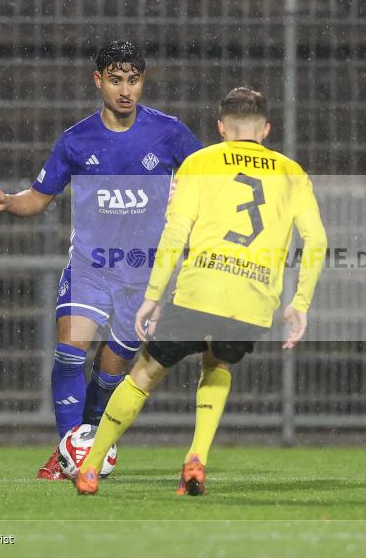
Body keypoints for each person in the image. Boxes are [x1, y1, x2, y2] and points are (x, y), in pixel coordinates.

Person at [72, 87, 328, 496]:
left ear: (221, 127)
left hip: (198, 290)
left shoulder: (198, 162)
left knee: (145, 373)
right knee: (218, 365)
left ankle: (90, 465)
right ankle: (196, 458)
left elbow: (175, 232)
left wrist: (153, 296)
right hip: (253, 299)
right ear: (265, 129)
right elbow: (316, 241)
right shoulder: (292, 172)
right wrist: (300, 305)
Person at [0, 40, 202, 478]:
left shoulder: (169, 132)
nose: (125, 90)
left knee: (109, 371)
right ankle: (66, 453)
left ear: (142, 82)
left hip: (144, 275)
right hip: (90, 267)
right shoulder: (77, 140)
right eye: (115, 80)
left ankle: (89, 448)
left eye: (133, 81)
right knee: (69, 354)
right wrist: (7, 201)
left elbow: (206, 178)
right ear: (98, 81)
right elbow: (38, 199)